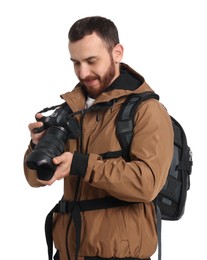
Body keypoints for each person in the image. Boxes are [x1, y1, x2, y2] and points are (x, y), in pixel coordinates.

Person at [23, 16, 174, 260]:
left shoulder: (148, 111)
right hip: (68, 254)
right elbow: (35, 179)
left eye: (92, 61)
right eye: (76, 63)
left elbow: (147, 184)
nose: (83, 73)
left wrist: (81, 164)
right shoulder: (70, 110)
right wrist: (37, 146)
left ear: (117, 52)